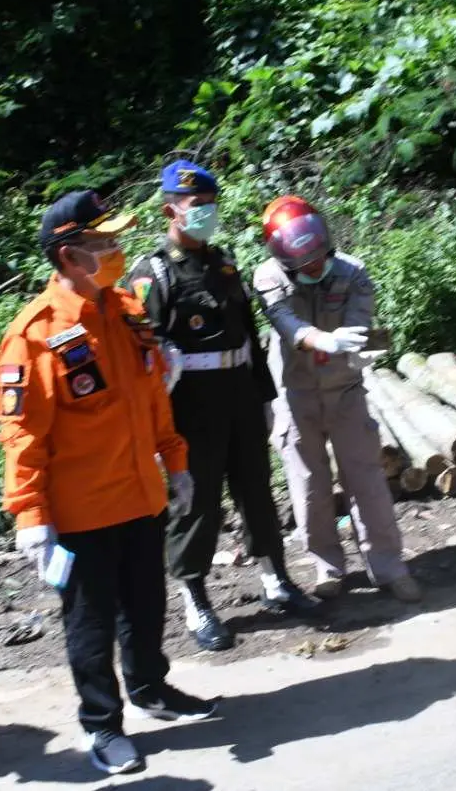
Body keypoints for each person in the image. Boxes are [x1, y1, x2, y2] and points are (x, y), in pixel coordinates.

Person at [0, 190, 215, 776]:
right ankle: (103, 726)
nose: (118, 251)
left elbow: (151, 401)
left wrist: (177, 462)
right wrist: (30, 518)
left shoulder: (125, 310)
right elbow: (22, 437)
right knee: (90, 627)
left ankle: (151, 690)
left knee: (146, 608)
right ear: (70, 256)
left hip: (139, 497)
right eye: (104, 244)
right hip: (80, 514)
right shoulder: (33, 336)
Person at [125, 162, 319, 653]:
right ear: (172, 209)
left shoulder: (224, 263)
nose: (206, 214)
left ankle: (276, 580)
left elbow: (248, 337)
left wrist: (266, 397)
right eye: (197, 207)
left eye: (211, 204)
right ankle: (196, 600)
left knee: (256, 491)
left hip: (239, 394)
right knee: (197, 503)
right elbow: (143, 351)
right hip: (191, 406)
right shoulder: (154, 272)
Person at [252, 195, 422, 603]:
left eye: (318, 258)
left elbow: (360, 321)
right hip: (294, 395)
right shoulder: (267, 277)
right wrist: (322, 339)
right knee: (308, 484)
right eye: (303, 265)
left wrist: (357, 345)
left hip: (344, 391)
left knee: (365, 477)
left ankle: (388, 565)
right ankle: (327, 566)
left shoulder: (353, 273)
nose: (313, 268)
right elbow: (284, 320)